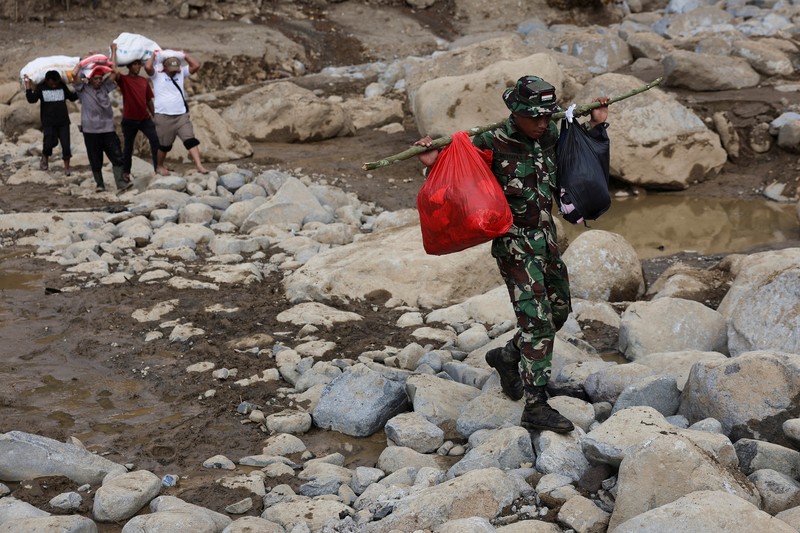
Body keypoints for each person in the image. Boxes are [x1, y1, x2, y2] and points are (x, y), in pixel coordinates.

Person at [416, 75, 609, 434]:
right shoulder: (490, 142)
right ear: (515, 112)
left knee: (559, 311)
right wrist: (432, 163)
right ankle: (535, 404)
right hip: (514, 244)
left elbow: (579, 152)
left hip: (546, 238)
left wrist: (596, 126)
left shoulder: (551, 132)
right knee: (536, 322)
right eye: (533, 116)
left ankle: (507, 358)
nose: (541, 122)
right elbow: (454, 183)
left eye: (545, 115)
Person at [71, 58, 131, 193]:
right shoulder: (83, 89)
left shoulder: (105, 87)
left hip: (107, 129)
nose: (98, 81)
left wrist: (108, 62)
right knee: (95, 157)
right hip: (90, 131)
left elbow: (115, 71)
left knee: (116, 155)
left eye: (100, 78)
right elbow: (74, 75)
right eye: (95, 78)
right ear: (90, 79)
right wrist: (83, 63)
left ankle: (121, 183)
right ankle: (100, 184)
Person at [144, 51, 208, 176]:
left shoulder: (181, 73)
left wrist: (184, 55)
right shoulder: (157, 75)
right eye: (171, 68)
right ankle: (160, 166)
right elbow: (147, 67)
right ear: (165, 67)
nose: (174, 71)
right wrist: (154, 55)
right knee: (164, 146)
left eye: (176, 68)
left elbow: (196, 65)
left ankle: (199, 165)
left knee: (190, 140)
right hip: (163, 117)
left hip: (181, 115)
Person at [109, 42, 159, 182]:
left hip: (144, 119)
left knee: (155, 141)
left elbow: (149, 100)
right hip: (129, 120)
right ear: (129, 66)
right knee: (128, 147)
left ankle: (158, 168)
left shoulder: (144, 81)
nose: (137, 67)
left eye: (139, 64)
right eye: (134, 64)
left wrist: (154, 116)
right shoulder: (124, 80)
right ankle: (126, 172)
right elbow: (114, 70)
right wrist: (114, 50)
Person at [24, 70, 79, 175]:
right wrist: (28, 86)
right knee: (49, 143)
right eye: (51, 83)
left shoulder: (62, 86)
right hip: (48, 122)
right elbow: (32, 99)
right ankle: (45, 155)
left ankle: (67, 168)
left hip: (63, 122)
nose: (54, 85)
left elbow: (72, 97)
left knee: (66, 146)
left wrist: (80, 87)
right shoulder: (42, 88)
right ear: (47, 81)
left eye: (56, 83)